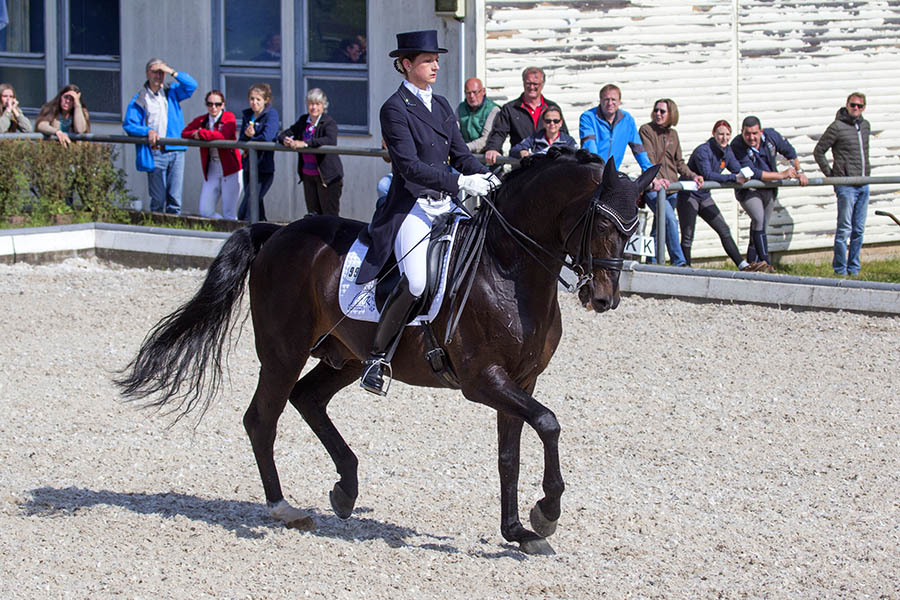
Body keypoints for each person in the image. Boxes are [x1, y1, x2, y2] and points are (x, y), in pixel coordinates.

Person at [356, 29, 496, 396]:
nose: (435, 66)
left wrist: (486, 174)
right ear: (406, 65)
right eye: (427, 61)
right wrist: (461, 183)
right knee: (417, 281)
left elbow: (461, 155)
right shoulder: (394, 108)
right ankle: (377, 357)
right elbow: (410, 167)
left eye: (436, 60)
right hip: (412, 205)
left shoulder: (443, 105)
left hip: (446, 204)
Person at [678, 120, 759, 270]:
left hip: (704, 196)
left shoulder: (727, 151)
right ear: (714, 134)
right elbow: (708, 174)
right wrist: (734, 178)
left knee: (723, 229)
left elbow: (736, 169)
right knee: (688, 234)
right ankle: (686, 268)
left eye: (727, 135)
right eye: (720, 134)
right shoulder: (703, 150)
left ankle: (742, 265)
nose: (724, 138)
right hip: (688, 195)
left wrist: (745, 175)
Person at [731, 116, 808, 272]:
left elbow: (790, 152)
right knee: (758, 219)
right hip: (749, 189)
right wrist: (781, 175)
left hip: (769, 189)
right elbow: (753, 172)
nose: (751, 138)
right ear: (742, 133)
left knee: (760, 227)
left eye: (754, 133)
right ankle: (766, 263)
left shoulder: (771, 137)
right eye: (747, 134)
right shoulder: (737, 144)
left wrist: (799, 172)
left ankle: (753, 264)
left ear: (761, 131)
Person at [123, 58, 197, 214]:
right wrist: (146, 131)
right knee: (158, 198)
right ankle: (156, 228)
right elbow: (129, 124)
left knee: (175, 198)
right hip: (156, 151)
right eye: (155, 72)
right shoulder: (141, 98)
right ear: (147, 73)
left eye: (161, 72)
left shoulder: (171, 92)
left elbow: (191, 85)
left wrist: (172, 71)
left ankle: (172, 229)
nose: (158, 75)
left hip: (176, 150)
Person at [813, 92, 872, 276]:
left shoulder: (865, 126)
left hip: (863, 183)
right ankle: (840, 269)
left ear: (864, 108)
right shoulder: (837, 127)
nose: (855, 109)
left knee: (859, 229)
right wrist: (832, 176)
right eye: (853, 105)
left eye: (859, 106)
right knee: (844, 229)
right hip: (846, 185)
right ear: (847, 104)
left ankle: (854, 269)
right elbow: (819, 151)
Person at [638, 98, 702, 266]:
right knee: (670, 220)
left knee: (660, 226)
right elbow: (649, 159)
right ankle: (679, 261)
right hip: (654, 188)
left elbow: (679, 162)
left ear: (671, 114)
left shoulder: (673, 134)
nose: (658, 114)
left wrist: (693, 175)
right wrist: (657, 179)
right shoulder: (646, 130)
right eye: (656, 110)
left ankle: (652, 263)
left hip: (672, 189)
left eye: (662, 111)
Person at [278, 88, 343, 216]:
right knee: (313, 215)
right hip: (308, 174)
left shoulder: (328, 122)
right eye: (311, 104)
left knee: (329, 215)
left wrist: (305, 143)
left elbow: (330, 140)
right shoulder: (303, 121)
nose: (313, 107)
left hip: (327, 177)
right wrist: (286, 140)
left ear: (323, 105)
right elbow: (285, 133)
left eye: (317, 104)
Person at [483, 66, 568, 165]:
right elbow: (499, 133)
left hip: (549, 167)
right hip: (521, 165)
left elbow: (563, 135)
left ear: (542, 85)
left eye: (535, 84)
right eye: (528, 83)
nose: (532, 87)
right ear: (523, 82)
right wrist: (493, 148)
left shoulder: (552, 107)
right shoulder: (510, 109)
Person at [181, 89, 242, 220]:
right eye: (210, 104)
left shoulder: (228, 117)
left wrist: (202, 133)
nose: (213, 107)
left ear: (223, 105)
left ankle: (230, 235)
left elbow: (223, 136)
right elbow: (185, 132)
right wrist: (198, 132)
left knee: (229, 212)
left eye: (217, 104)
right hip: (212, 166)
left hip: (230, 168)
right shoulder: (203, 120)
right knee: (205, 210)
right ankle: (220, 229)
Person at [579, 84, 652, 171]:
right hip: (591, 170)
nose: (610, 103)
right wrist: (598, 168)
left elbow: (638, 149)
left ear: (619, 101)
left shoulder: (627, 120)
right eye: (606, 99)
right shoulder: (588, 117)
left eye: (613, 99)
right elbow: (589, 146)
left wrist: (649, 172)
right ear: (600, 100)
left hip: (612, 172)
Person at [237, 83, 279, 222]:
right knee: (256, 208)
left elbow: (268, 137)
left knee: (247, 209)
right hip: (249, 166)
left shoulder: (271, 114)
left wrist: (253, 136)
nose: (254, 103)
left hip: (263, 168)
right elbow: (241, 140)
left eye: (258, 99)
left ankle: (246, 236)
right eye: (252, 99)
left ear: (266, 100)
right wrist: (247, 136)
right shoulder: (248, 115)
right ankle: (263, 237)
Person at [508, 104, 576, 158]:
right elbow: (513, 150)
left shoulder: (569, 142)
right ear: (543, 122)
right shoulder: (534, 139)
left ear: (561, 123)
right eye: (548, 121)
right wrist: (522, 152)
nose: (552, 124)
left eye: (556, 121)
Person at [457, 77, 499, 153]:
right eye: (468, 93)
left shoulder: (493, 110)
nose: (471, 96)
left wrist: (464, 148)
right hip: (465, 157)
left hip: (486, 160)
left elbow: (486, 139)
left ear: (483, 91)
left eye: (475, 92)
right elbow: (454, 131)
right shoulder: (460, 108)